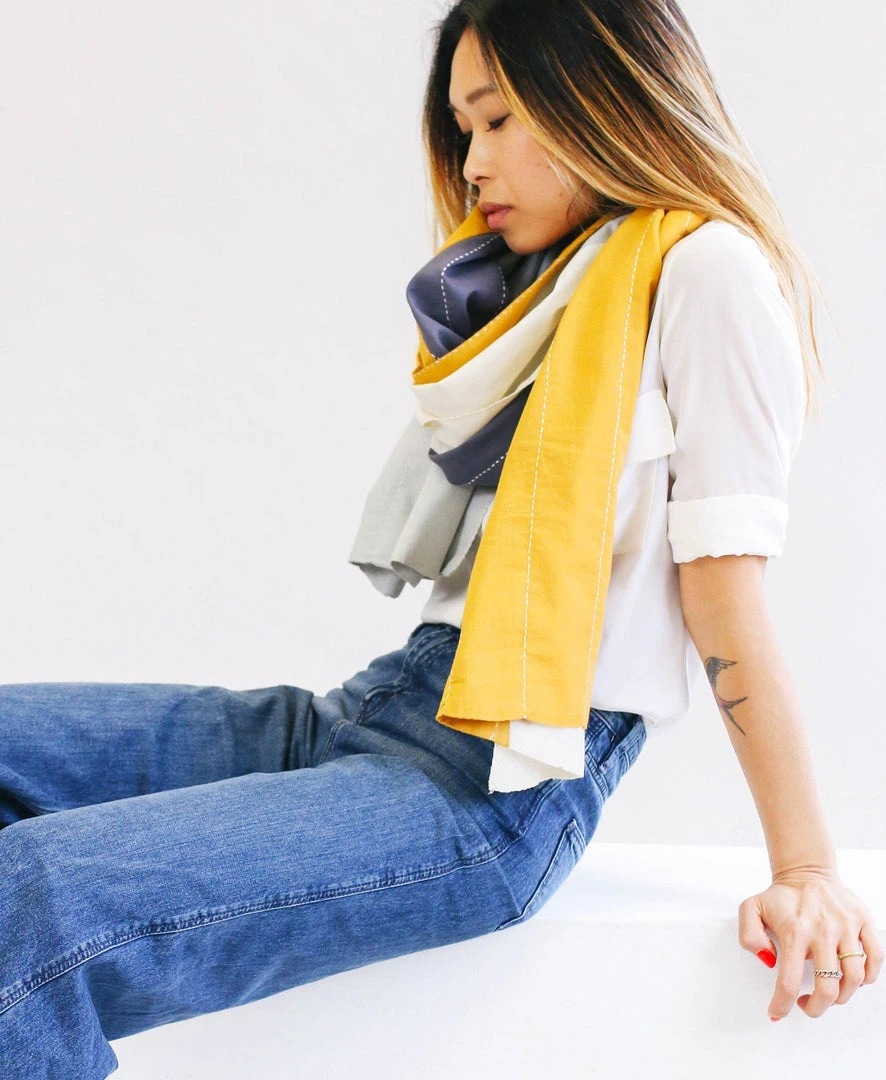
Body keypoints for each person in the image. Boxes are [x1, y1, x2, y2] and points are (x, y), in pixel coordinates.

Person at [0, 1, 880, 1074]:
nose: (472, 164)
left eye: (498, 119)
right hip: (376, 710)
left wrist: (807, 867)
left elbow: (724, 594)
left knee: (39, 897)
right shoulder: (545, 287)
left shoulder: (708, 272)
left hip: (488, 792)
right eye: (465, 129)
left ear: (601, 96)